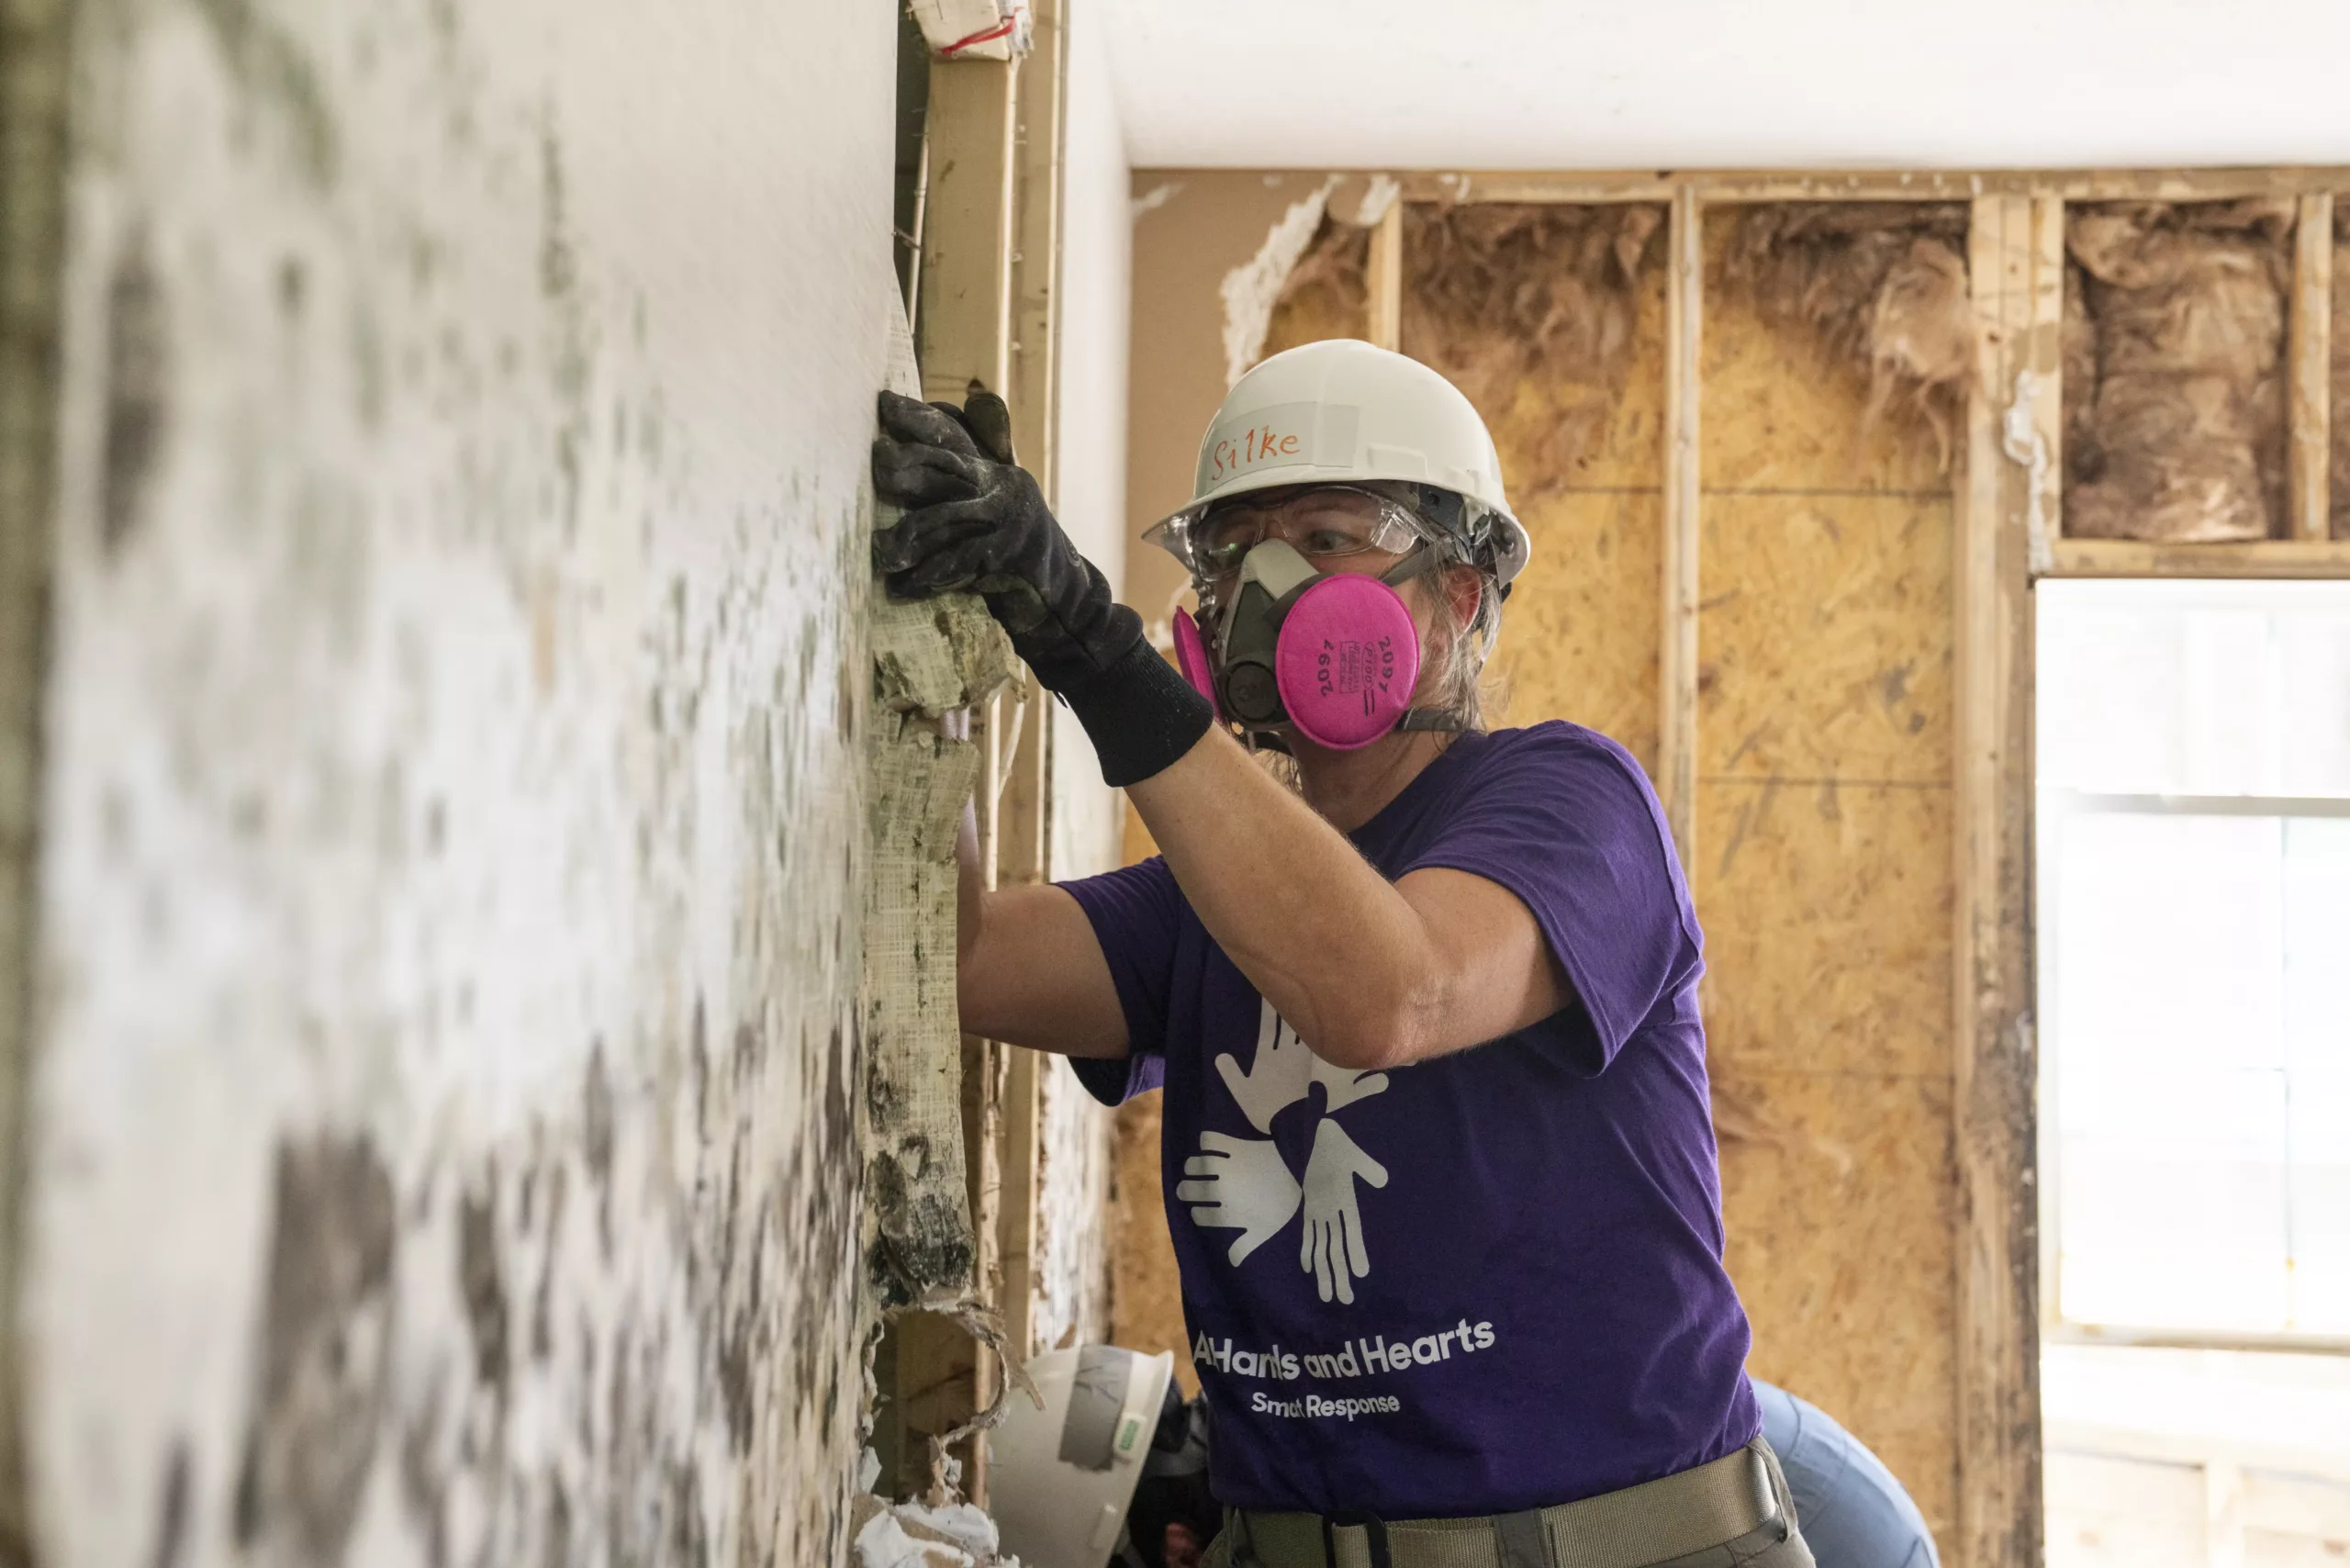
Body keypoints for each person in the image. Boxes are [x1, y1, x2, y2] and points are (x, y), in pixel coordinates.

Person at [873, 338, 1812, 1568]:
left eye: (1325, 537)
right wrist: (941, 659)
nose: (1263, 583)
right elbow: (961, 959)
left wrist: (1094, 650)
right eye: (1231, 549)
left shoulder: (1574, 805)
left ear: (1460, 591)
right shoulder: (1215, 904)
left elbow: (1391, 993)